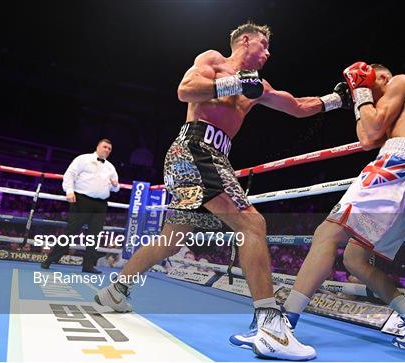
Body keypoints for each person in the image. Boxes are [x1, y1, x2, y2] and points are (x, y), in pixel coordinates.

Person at [95, 21, 353, 361]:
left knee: (174, 235)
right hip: (195, 149)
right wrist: (234, 82)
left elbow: (296, 106)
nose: (268, 52)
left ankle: (115, 292)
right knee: (252, 225)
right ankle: (270, 327)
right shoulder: (214, 60)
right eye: (264, 44)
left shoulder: (259, 85)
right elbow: (185, 90)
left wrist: (336, 100)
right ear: (245, 41)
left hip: (210, 155)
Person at [234, 62, 405, 353]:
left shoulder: (401, 81)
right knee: (355, 260)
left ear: (381, 76)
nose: (370, 92)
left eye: (373, 84)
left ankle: (282, 328)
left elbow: (371, 130)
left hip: (395, 166)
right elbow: (368, 138)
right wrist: (360, 95)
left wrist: (362, 90)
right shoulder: (394, 110)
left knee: (326, 234)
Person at [41, 139, 120, 273]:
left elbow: (116, 189)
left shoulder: (110, 167)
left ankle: (88, 265)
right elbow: (69, 175)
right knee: (71, 231)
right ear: (98, 147)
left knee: (94, 235)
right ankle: (50, 259)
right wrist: (69, 191)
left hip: (101, 204)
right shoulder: (83, 159)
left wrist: (115, 185)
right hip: (82, 200)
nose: (107, 150)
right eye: (105, 147)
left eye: (109, 149)